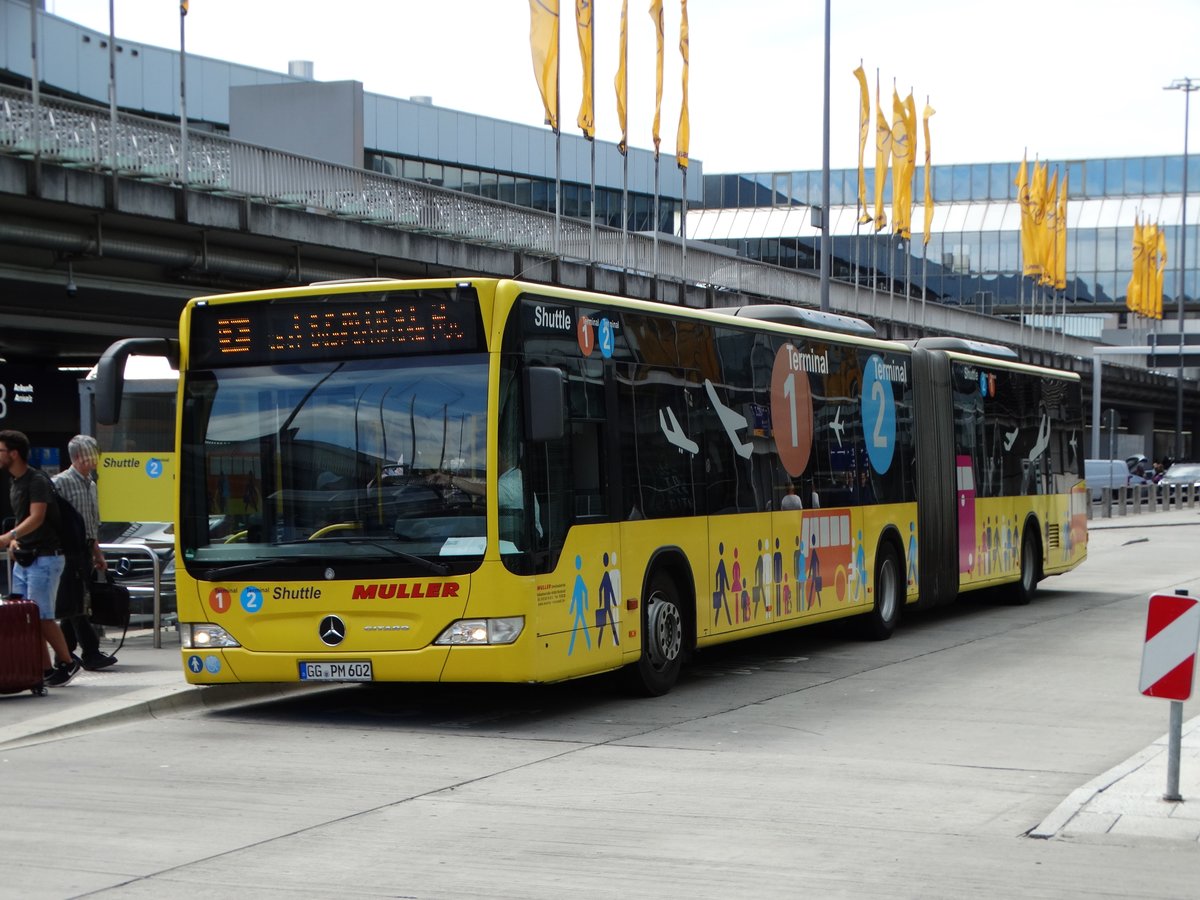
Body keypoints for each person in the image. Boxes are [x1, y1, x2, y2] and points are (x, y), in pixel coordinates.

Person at [0, 430, 81, 687]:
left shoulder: (37, 480)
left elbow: (37, 516)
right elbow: (24, 520)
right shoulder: (16, 482)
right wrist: (15, 539)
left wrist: (7, 536)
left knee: (41, 615)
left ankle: (68, 662)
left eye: (0, 450)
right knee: (25, 616)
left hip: (46, 558)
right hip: (26, 558)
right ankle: (44, 668)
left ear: (13, 454)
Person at [53, 434, 116, 671]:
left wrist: (97, 553)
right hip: (68, 551)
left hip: (85, 550)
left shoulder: (91, 483)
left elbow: (92, 523)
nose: (95, 459)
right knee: (76, 603)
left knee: (75, 603)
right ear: (78, 457)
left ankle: (64, 654)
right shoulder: (60, 483)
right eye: (91, 455)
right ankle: (89, 651)